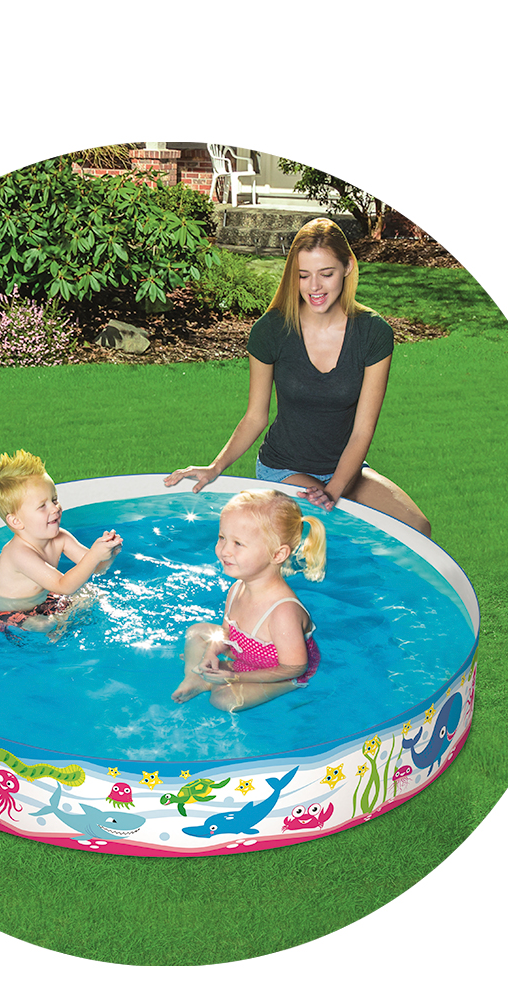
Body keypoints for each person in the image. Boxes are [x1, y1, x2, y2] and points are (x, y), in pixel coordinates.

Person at [164, 217, 431, 537]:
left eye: (326, 274)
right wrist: (215, 467)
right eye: (304, 275)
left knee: (418, 528)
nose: (314, 287)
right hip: (285, 468)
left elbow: (362, 430)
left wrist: (334, 489)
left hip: (347, 470)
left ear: (347, 267)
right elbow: (255, 417)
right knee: (322, 531)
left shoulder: (373, 333)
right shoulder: (271, 330)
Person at [172, 489, 326, 712]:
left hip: (278, 672)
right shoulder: (237, 588)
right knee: (196, 632)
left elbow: (294, 667)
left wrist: (235, 677)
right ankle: (196, 678)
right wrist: (211, 653)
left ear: (277, 554)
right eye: (222, 538)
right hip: (244, 654)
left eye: (238, 543)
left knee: (224, 700)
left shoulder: (283, 612)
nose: (224, 551)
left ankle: (284, 687)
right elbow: (226, 634)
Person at [0, 450, 122, 635]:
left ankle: (59, 626)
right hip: (5, 613)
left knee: (92, 593)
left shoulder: (60, 538)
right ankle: (57, 630)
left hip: (41, 601)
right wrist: (95, 555)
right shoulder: (18, 553)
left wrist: (110, 552)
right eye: (42, 506)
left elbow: (97, 568)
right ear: (16, 521)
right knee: (43, 625)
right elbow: (64, 585)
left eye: (54, 500)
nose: (55, 508)